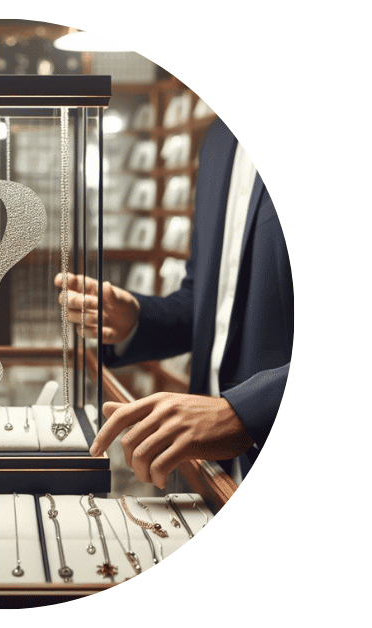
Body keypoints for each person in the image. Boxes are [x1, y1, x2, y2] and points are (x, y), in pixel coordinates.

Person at [58, 117, 293, 488]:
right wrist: (135, 319)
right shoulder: (218, 139)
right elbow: (207, 304)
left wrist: (246, 412)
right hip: (207, 471)